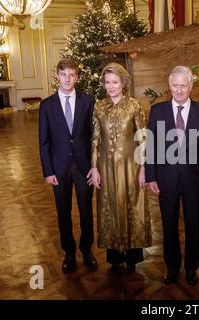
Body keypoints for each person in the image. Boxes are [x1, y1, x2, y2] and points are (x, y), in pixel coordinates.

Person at [145, 65, 199, 286]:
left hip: (194, 180)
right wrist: (150, 176)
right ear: (169, 86)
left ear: (191, 86)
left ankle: (192, 268)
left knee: (194, 226)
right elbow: (152, 146)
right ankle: (172, 267)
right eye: (175, 85)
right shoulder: (158, 111)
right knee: (169, 225)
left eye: (183, 85)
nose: (179, 90)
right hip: (166, 179)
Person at [89, 63, 152, 274]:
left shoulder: (134, 106)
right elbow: (95, 139)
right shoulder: (99, 107)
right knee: (110, 206)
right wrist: (94, 168)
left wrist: (144, 168)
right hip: (105, 167)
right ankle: (115, 256)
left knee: (132, 206)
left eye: (115, 82)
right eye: (107, 82)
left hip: (131, 166)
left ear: (123, 83)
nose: (111, 86)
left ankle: (133, 256)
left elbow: (143, 138)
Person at [39, 58, 98, 273]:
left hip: (84, 167)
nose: (67, 79)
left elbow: (94, 137)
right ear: (58, 76)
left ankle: (87, 249)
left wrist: (94, 165)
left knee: (85, 210)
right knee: (63, 212)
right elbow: (43, 142)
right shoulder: (47, 105)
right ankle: (69, 252)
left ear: (77, 77)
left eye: (72, 75)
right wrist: (48, 171)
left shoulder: (88, 101)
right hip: (59, 168)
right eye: (64, 74)